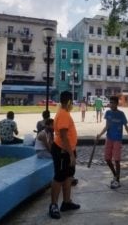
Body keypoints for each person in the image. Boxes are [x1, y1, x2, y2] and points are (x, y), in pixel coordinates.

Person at [95, 96, 128, 189]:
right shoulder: (108, 113)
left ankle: (117, 180)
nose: (111, 104)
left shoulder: (121, 114)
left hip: (117, 140)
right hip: (109, 139)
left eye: (113, 102)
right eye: (110, 102)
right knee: (107, 159)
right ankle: (116, 175)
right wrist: (99, 135)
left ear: (116, 104)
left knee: (117, 160)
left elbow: (126, 127)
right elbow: (107, 126)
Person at [49, 91, 80, 219]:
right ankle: (53, 205)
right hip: (63, 151)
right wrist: (71, 154)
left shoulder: (64, 113)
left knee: (68, 175)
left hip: (68, 150)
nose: (72, 104)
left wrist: (72, 151)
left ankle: (66, 202)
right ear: (68, 102)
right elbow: (63, 136)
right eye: (72, 102)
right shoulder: (63, 114)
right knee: (59, 177)